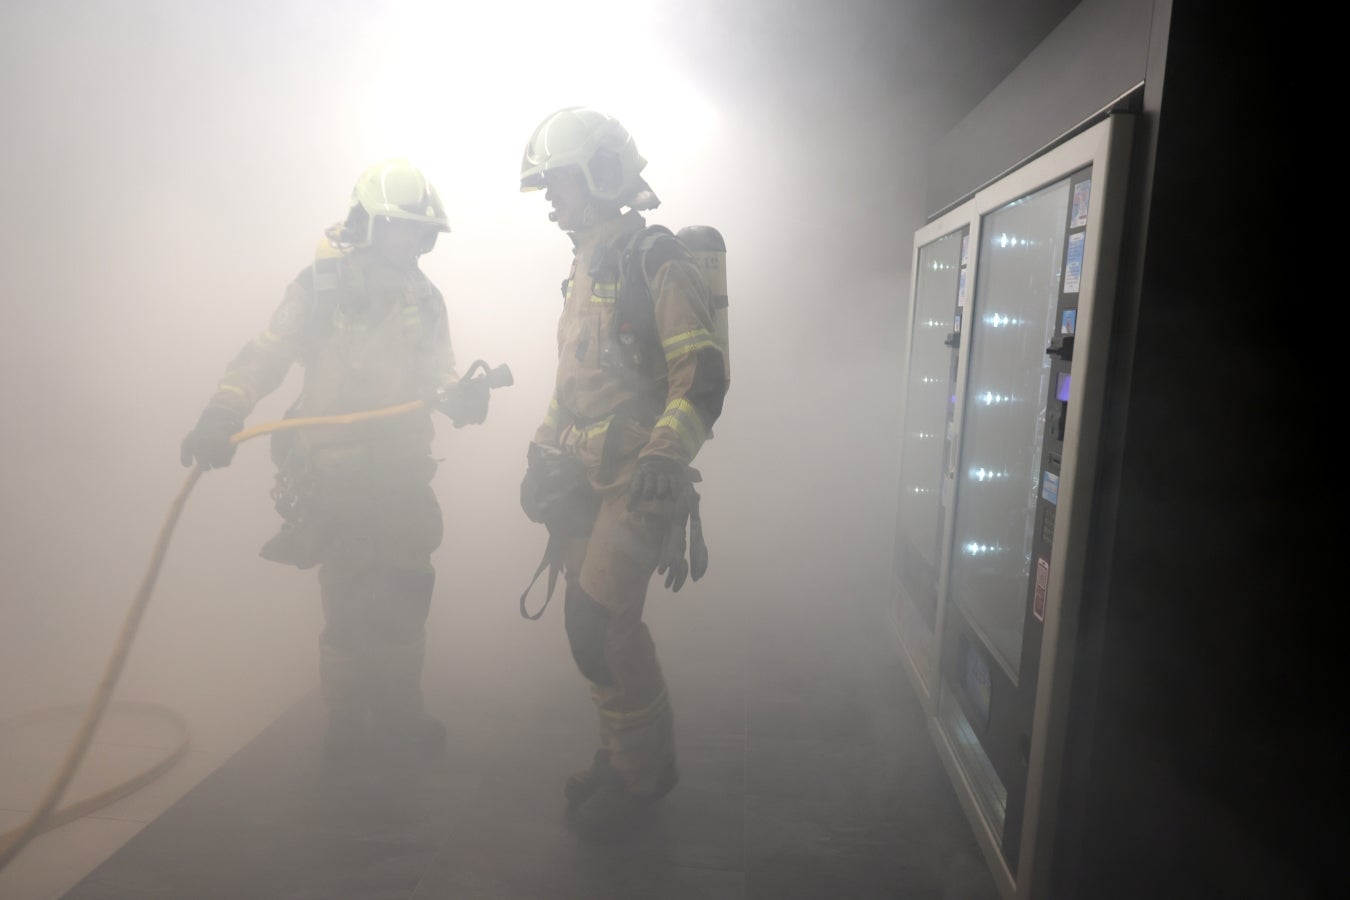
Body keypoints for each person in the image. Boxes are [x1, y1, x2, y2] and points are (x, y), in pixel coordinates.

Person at [179, 159, 492, 764]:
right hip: (334, 475)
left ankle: (400, 711)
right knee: (348, 600)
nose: (408, 240)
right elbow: (266, 355)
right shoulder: (321, 288)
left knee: (406, 589)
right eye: (397, 226)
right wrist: (222, 413)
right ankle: (346, 719)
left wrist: (462, 399)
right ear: (368, 224)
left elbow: (438, 373)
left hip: (402, 469)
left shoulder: (425, 298)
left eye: (417, 230)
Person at [517, 107, 729, 832]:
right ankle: (621, 751)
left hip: (641, 478)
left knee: (600, 620)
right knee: (587, 633)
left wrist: (667, 457)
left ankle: (647, 771)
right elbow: (571, 387)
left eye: (560, 184)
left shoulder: (655, 258)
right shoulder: (583, 267)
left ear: (602, 177)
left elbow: (699, 375)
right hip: (582, 478)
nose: (550, 200)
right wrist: (541, 451)